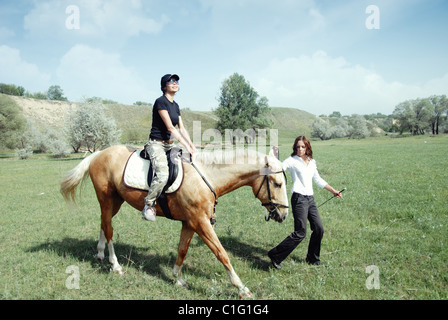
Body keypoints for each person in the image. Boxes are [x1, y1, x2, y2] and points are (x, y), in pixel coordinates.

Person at [268, 136, 342, 269]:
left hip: (310, 200)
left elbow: (318, 179)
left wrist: (333, 190)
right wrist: (273, 157)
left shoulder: (312, 162)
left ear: (307, 147)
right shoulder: (291, 161)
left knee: (319, 229)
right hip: (299, 199)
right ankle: (275, 255)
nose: (300, 149)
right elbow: (278, 169)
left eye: (303, 146)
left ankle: (312, 258)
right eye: (297, 147)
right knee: (300, 232)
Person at [142, 74, 197, 221]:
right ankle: (148, 205)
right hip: (156, 144)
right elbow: (171, 129)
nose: (175, 83)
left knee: (190, 166)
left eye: (176, 81)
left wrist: (191, 146)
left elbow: (182, 128)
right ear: (164, 85)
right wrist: (185, 145)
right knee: (163, 175)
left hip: (169, 145)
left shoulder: (175, 105)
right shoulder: (160, 102)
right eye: (171, 81)